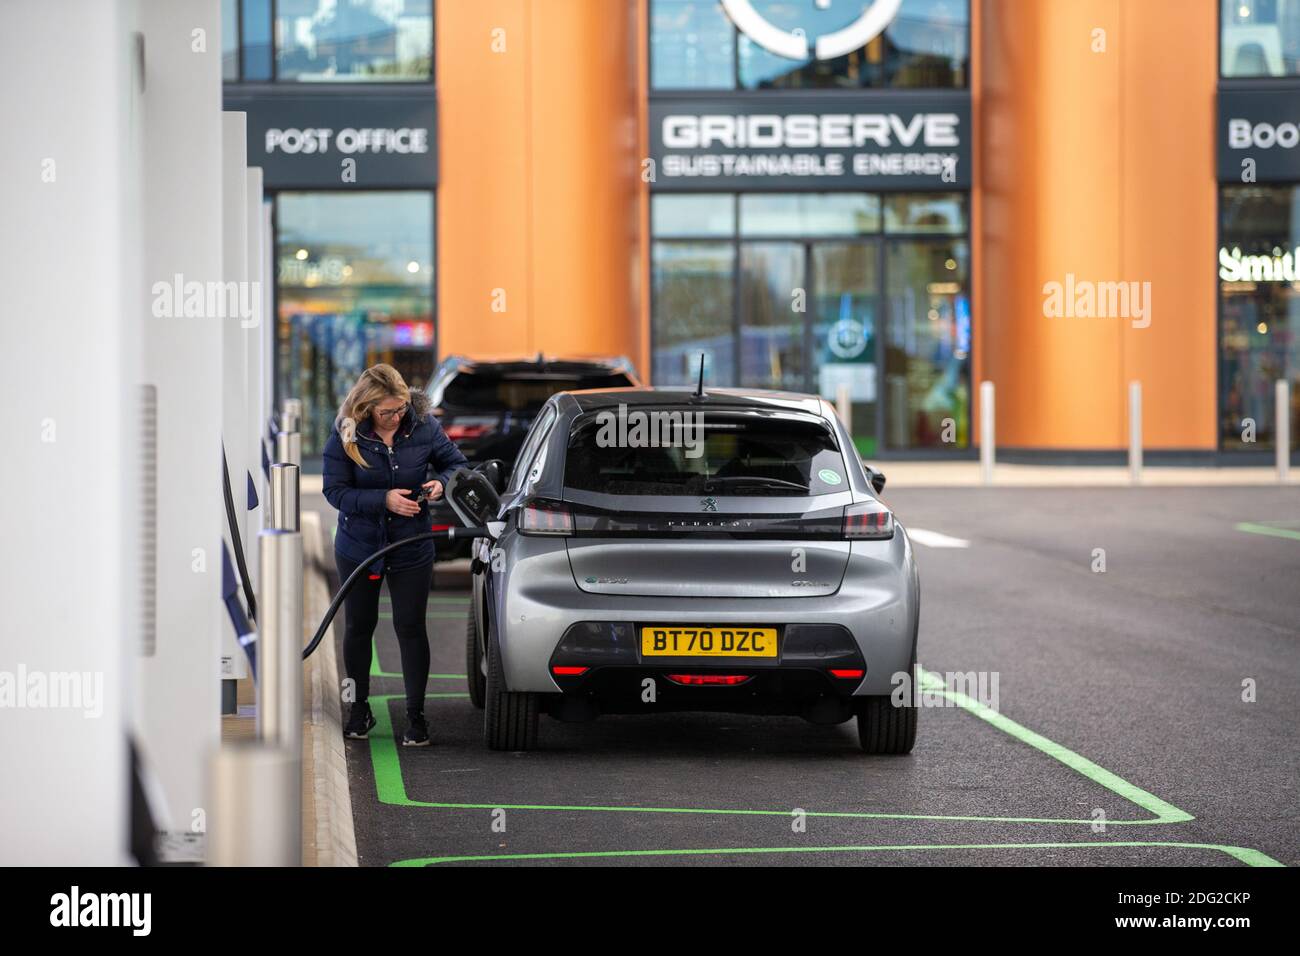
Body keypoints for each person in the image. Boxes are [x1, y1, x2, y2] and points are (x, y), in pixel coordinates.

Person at [322, 364, 469, 746]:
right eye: (387, 412)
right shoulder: (345, 433)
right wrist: (381, 500)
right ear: (368, 407)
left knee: (410, 626)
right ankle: (358, 709)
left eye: (400, 409)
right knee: (358, 627)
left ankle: (416, 717)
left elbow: (456, 465)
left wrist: (440, 483)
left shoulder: (422, 425)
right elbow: (335, 492)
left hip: (411, 545)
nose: (396, 417)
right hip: (360, 546)